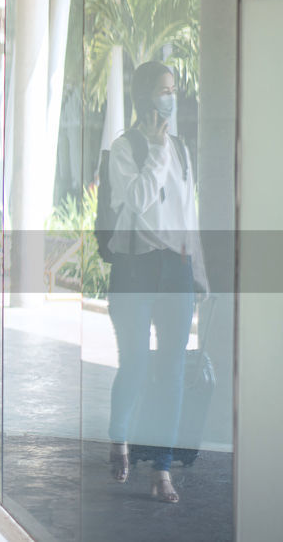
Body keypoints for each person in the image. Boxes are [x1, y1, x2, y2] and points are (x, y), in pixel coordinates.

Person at [103, 61, 208, 504]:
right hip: (135, 268)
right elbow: (140, 200)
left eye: (173, 89)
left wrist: (199, 274)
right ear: (145, 95)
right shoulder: (124, 148)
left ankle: (162, 468)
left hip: (176, 268)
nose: (170, 96)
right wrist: (156, 146)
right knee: (136, 365)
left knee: (170, 373)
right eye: (162, 90)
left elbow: (188, 217)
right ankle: (120, 437)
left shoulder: (182, 149)